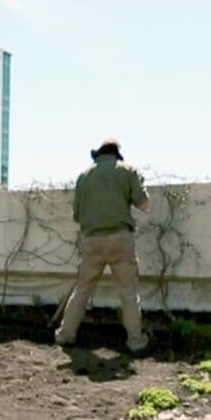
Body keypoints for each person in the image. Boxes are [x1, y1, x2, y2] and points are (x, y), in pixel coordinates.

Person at [55, 138, 151, 353]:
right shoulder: (128, 171)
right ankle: (135, 341)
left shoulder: (84, 175)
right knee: (128, 292)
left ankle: (65, 335)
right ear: (117, 154)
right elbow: (144, 204)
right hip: (119, 238)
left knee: (82, 290)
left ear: (98, 154)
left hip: (91, 240)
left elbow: (77, 215)